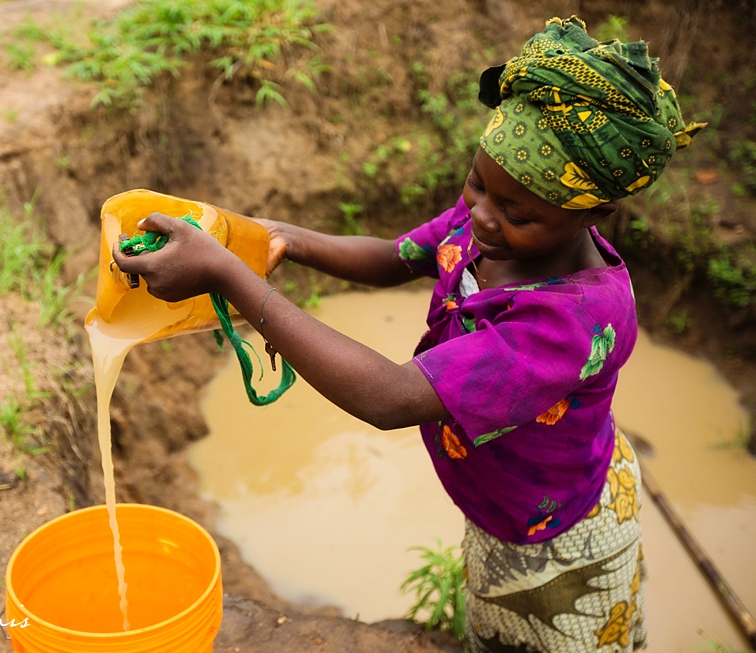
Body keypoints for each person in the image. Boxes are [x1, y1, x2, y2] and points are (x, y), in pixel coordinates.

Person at [114, 16, 704, 653]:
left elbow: (391, 398)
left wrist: (230, 276)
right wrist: (278, 236)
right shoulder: (487, 225)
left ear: (594, 212)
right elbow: (394, 257)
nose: (482, 214)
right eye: (478, 184)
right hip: (511, 501)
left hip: (559, 540)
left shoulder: (575, 319)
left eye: (518, 212)